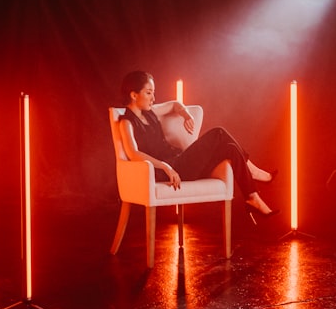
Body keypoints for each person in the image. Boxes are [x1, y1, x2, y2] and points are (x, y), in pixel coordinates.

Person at [118, 70, 279, 221]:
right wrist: (165, 167)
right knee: (218, 133)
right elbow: (133, 154)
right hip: (172, 170)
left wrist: (186, 115)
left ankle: (252, 198)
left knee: (229, 148)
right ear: (134, 95)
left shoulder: (150, 112)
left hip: (180, 162)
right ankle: (254, 173)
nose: (153, 97)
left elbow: (175, 104)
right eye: (148, 92)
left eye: (153, 92)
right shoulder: (126, 122)